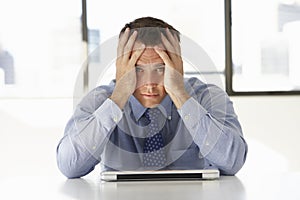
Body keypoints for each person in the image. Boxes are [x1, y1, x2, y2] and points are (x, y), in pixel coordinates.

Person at [56, 17, 248, 178]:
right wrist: (119, 96)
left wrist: (181, 95)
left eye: (160, 68)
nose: (149, 83)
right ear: (122, 66)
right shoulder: (100, 101)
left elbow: (233, 162)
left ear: (177, 65)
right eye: (138, 69)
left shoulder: (207, 97)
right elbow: (69, 165)